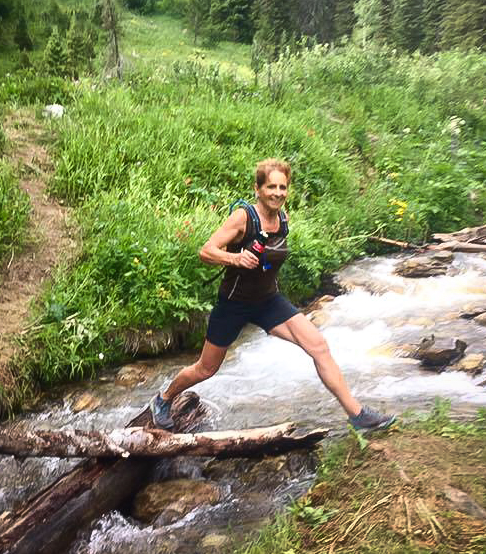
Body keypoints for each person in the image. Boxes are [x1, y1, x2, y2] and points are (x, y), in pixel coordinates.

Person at [149, 158, 395, 433]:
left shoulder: (283, 219)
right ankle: (164, 399)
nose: (278, 192)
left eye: (283, 187)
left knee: (319, 346)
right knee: (206, 369)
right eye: (271, 187)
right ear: (258, 188)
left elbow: (269, 260)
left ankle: (357, 415)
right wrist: (236, 258)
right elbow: (206, 251)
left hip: (268, 301)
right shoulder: (243, 217)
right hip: (234, 304)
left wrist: (261, 264)